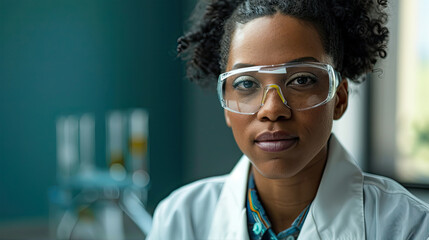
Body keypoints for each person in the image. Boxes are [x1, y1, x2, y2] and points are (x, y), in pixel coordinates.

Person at [148, 0, 429, 239]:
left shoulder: (407, 226)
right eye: (246, 84)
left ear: (339, 99)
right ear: (226, 107)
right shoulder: (179, 220)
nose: (272, 109)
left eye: (301, 80)